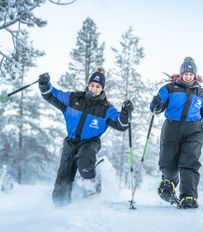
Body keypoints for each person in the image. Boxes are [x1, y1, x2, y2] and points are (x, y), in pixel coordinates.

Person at [38, 67, 134, 207]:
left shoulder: (106, 108)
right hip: (70, 142)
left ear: (102, 89)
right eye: (92, 85)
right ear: (88, 85)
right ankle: (60, 209)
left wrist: (126, 112)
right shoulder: (73, 99)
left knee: (84, 157)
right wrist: (44, 83)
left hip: (90, 142)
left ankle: (91, 189)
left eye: (98, 86)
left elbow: (122, 125)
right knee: (62, 182)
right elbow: (50, 95)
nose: (94, 88)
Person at [150, 57, 203, 209]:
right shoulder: (169, 88)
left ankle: (188, 196)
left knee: (189, 163)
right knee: (168, 162)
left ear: (195, 75)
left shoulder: (202, 93)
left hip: (193, 131)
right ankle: (168, 183)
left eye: (191, 73)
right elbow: (158, 105)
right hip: (172, 127)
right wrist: (156, 104)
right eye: (185, 73)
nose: (188, 76)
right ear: (181, 74)